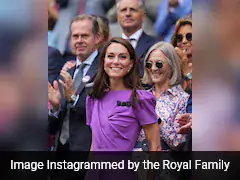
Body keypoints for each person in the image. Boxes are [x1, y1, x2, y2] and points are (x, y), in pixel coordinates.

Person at [48, 14, 100, 180]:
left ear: (97, 37)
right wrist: (55, 108)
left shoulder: (106, 70)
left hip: (88, 157)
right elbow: (52, 126)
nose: (79, 40)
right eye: (75, 36)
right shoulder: (66, 72)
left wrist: (74, 99)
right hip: (59, 158)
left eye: (84, 35)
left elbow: (103, 115)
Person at [86, 37, 161, 151]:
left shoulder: (140, 99)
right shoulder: (94, 98)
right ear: (103, 61)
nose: (116, 61)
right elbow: (94, 144)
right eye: (110, 56)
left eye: (122, 57)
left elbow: (155, 147)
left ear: (130, 64)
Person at [141, 41, 190, 151]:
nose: (153, 69)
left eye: (159, 64)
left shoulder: (182, 99)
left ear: (172, 65)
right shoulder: (141, 96)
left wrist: (156, 119)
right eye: (149, 64)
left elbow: (178, 142)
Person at [116, 0, 158, 77]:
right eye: (123, 10)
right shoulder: (110, 47)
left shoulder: (156, 45)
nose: (128, 14)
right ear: (117, 16)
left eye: (133, 10)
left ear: (143, 16)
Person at [171, 17, 192, 94]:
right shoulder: (172, 68)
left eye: (189, 37)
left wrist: (187, 72)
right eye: (179, 38)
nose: (184, 41)